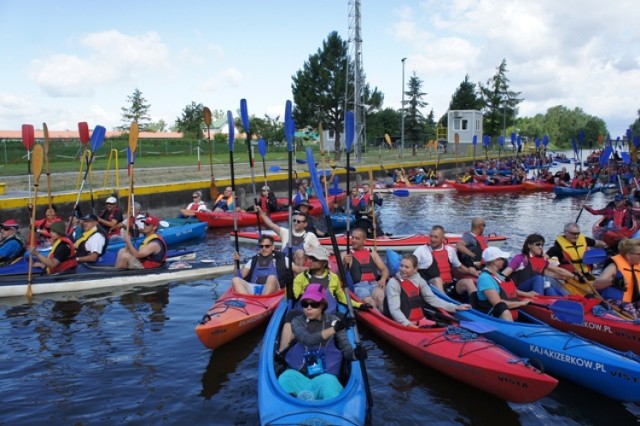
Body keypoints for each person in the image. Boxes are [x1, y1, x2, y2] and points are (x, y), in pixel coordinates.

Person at [278, 284, 366, 401]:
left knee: (329, 385)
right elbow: (308, 340)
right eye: (305, 304)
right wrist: (334, 329)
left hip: (325, 377)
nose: (308, 308)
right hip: (298, 375)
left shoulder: (335, 321)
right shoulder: (297, 321)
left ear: (323, 305)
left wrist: (356, 355)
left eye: (314, 304)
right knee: (284, 378)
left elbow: (346, 349)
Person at [278, 246, 367, 354]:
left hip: (328, 314)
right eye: (310, 258)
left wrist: (359, 305)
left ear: (324, 263)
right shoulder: (302, 277)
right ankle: (282, 351)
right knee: (291, 315)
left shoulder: (333, 278)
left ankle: (347, 352)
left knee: (342, 320)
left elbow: (341, 297)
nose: (310, 260)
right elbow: (293, 297)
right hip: (305, 312)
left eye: (314, 259)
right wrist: (289, 285)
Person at [385, 253, 471, 327]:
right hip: (403, 324)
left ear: (415, 269)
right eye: (401, 266)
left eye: (407, 267)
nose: (402, 269)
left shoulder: (420, 281)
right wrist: (407, 324)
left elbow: (432, 299)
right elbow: (394, 309)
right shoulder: (393, 283)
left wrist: (455, 307)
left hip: (421, 321)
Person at [413, 225, 479, 299]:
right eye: (431, 236)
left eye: (436, 237)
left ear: (442, 238)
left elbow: (459, 267)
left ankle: (476, 305)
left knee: (468, 282)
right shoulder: (421, 251)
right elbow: (411, 268)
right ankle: (447, 304)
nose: (432, 239)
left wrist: (473, 272)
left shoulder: (450, 250)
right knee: (437, 280)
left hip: (449, 285)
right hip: (431, 289)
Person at [472, 247, 535, 321]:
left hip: (510, 313)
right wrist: (522, 303)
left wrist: (527, 294)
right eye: (502, 259)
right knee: (501, 306)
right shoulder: (485, 278)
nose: (504, 261)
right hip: (492, 316)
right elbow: (498, 304)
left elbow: (508, 291)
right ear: (495, 261)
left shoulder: (499, 275)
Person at [501, 234, 573, 296]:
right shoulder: (520, 258)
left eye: (542, 245)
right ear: (529, 245)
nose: (541, 247)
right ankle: (540, 302)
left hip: (535, 289)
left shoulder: (541, 260)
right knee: (538, 278)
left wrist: (575, 277)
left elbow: (557, 270)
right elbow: (504, 274)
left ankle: (558, 306)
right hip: (521, 290)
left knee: (550, 289)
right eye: (538, 244)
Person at [342, 227, 389, 311]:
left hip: (374, 284)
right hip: (358, 286)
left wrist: (383, 279)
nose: (353, 240)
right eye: (352, 237)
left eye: (357, 238)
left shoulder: (372, 253)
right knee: (370, 302)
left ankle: (387, 321)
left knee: (381, 299)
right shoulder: (346, 254)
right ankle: (378, 321)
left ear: (364, 241)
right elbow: (339, 276)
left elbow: (384, 269)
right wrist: (344, 263)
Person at [593, 238, 640, 318]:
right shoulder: (613, 266)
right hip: (613, 301)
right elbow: (596, 284)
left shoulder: (637, 265)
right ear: (628, 255)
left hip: (633, 301)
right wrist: (614, 281)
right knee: (633, 313)